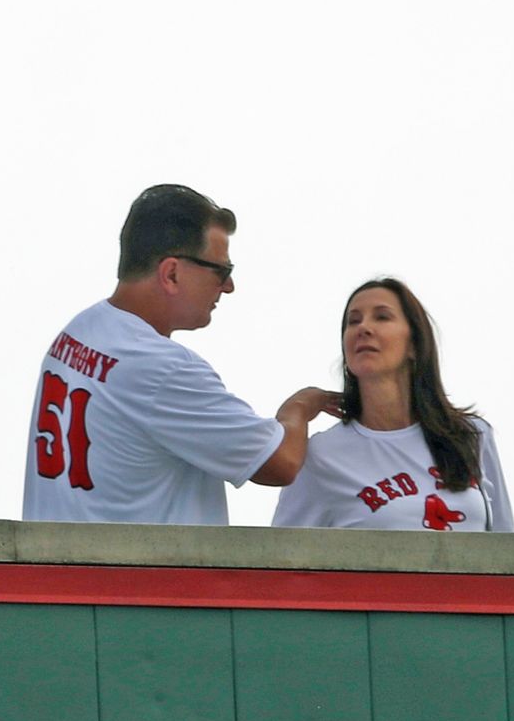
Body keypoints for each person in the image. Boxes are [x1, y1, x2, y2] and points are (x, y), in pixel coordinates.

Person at [22, 183, 340, 525]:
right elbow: (280, 462)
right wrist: (301, 406)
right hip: (135, 576)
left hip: (61, 570)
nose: (228, 287)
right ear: (171, 273)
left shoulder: (78, 331)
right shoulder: (163, 368)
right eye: (222, 271)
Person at [272, 277, 514, 531]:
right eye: (353, 321)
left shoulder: (470, 434)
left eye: (382, 317)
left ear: (414, 344)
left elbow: (509, 549)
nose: (363, 328)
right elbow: (281, 559)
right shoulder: (321, 455)